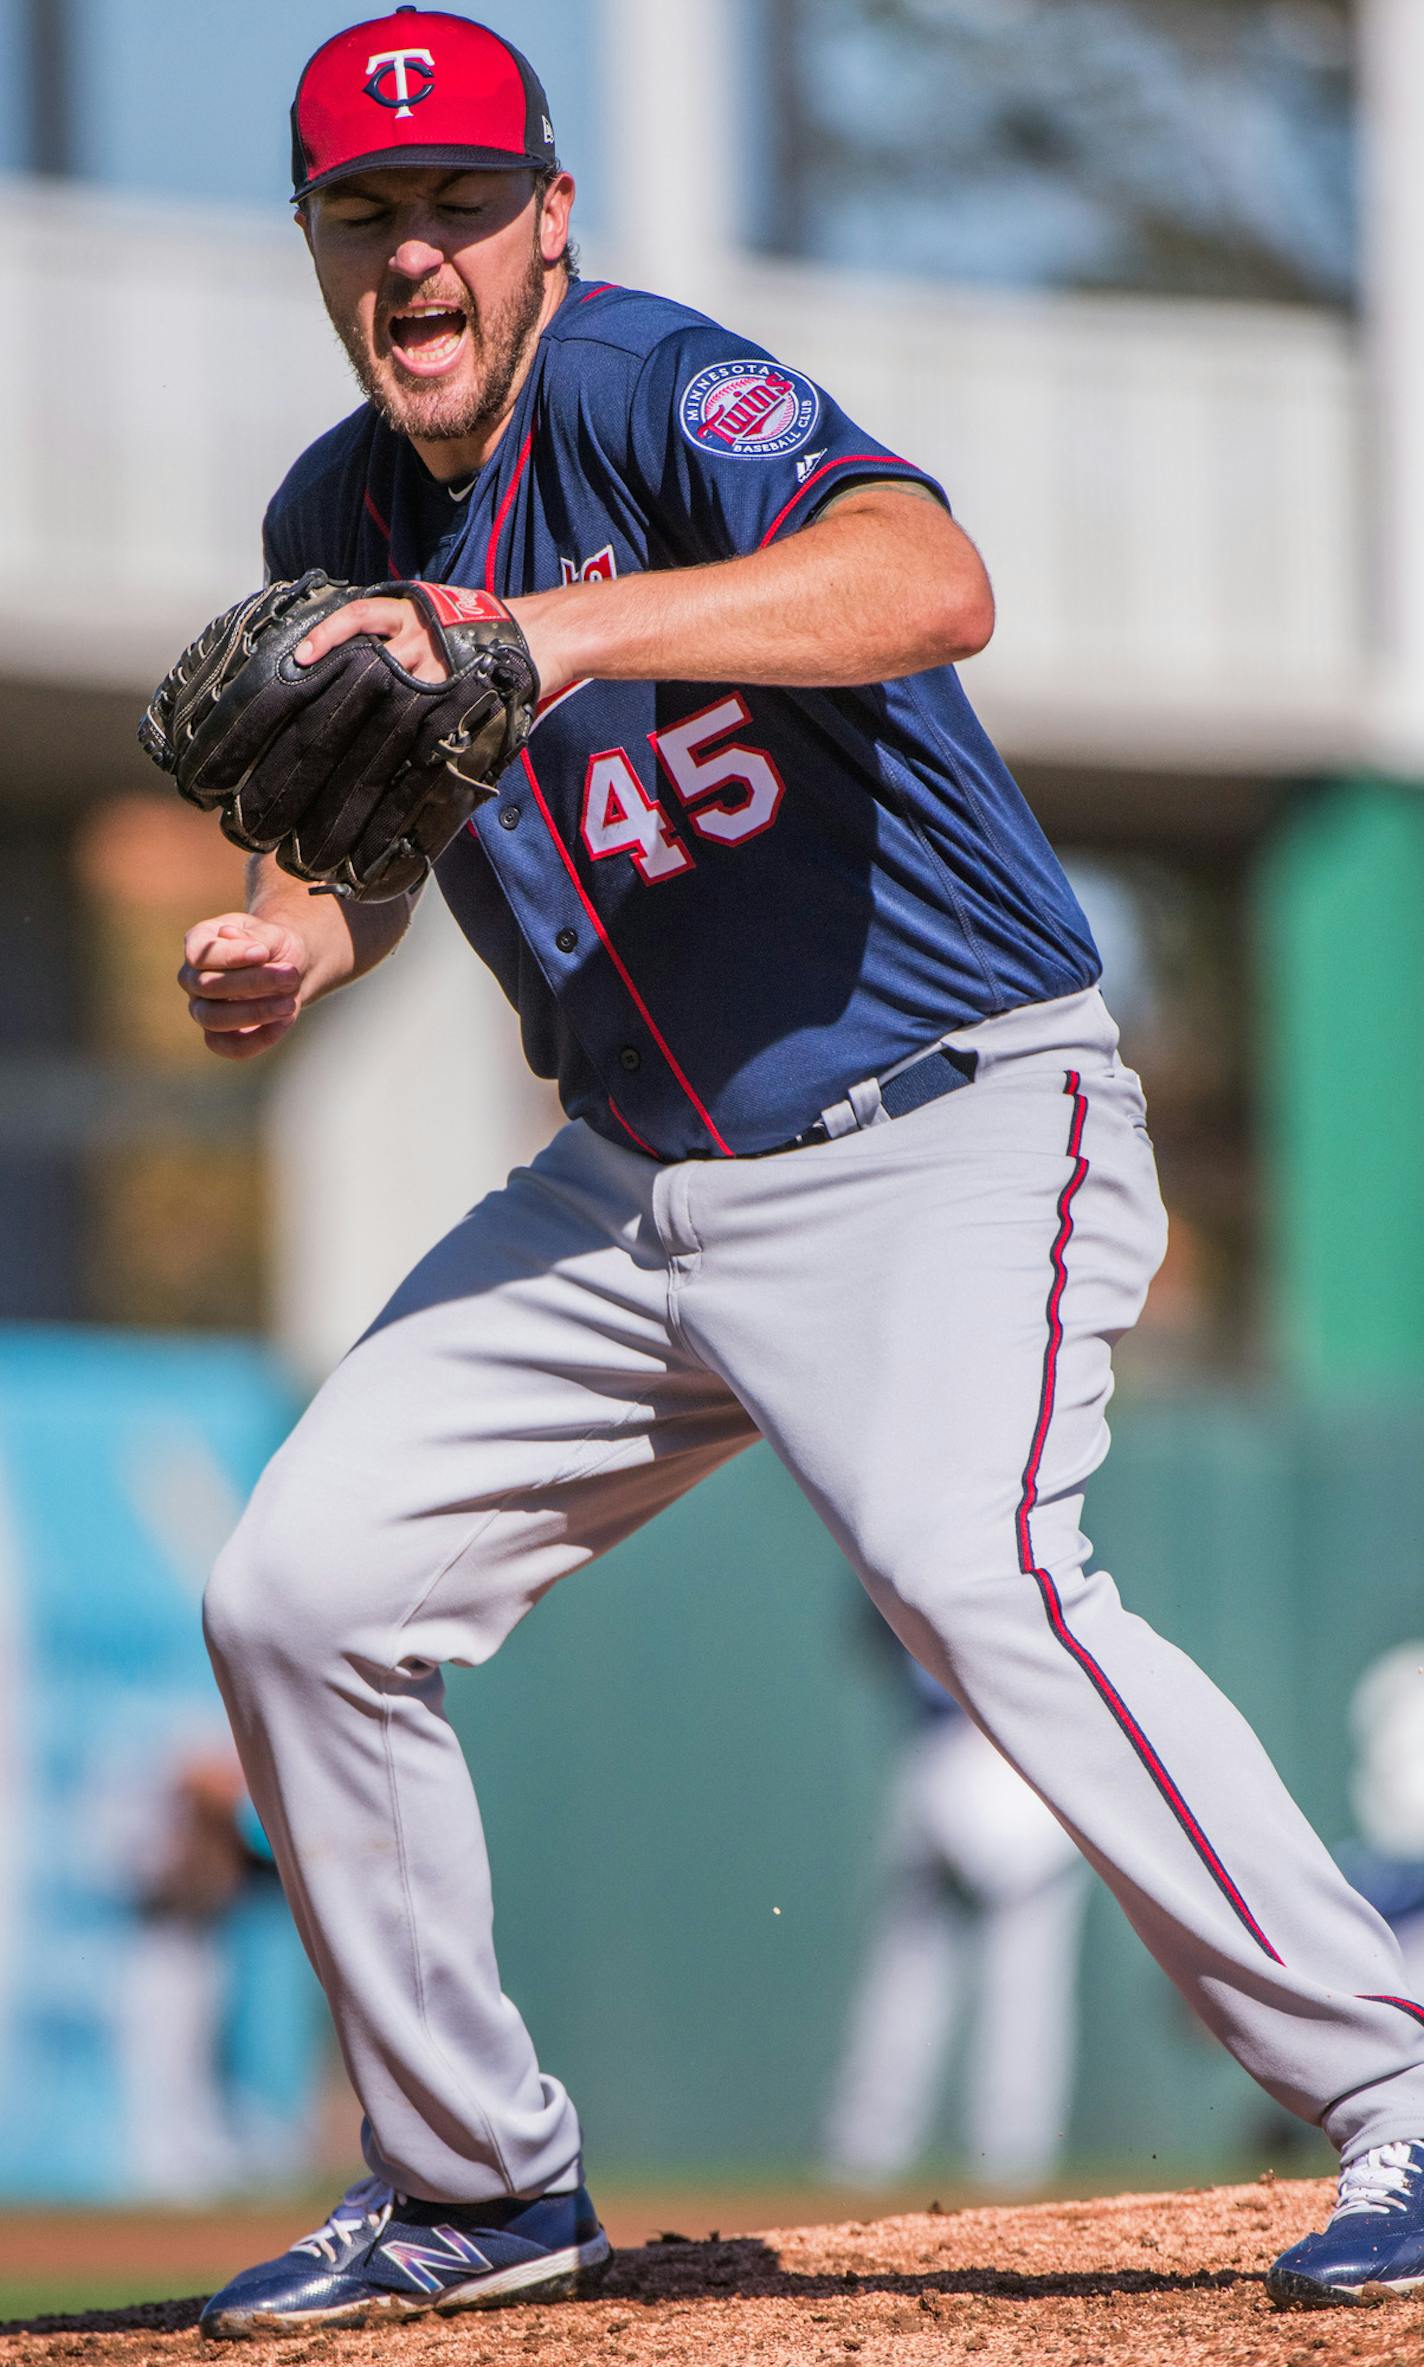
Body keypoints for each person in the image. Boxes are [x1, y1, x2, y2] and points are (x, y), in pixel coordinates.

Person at [177, 8, 1424, 2332]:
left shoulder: (661, 391)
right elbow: (378, 827)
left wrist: (543, 634)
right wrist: (300, 941)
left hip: (944, 1115)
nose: (415, 249)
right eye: (367, 212)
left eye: (460, 199)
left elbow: (926, 581)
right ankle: (473, 2183)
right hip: (627, 1178)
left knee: (979, 1580)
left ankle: (1399, 2084)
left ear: (552, 219)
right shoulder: (330, 526)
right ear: (323, 252)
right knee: (298, 1594)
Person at [823, 1651, 1085, 2193]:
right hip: (1023, 1755)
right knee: (1022, 1980)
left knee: (914, 1973)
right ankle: (1012, 2157)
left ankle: (866, 2149)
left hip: (952, 1751)